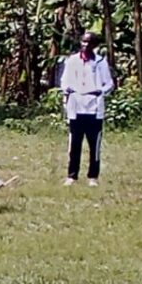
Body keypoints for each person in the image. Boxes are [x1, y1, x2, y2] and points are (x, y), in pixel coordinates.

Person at [60, 31, 114, 186]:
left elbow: (109, 84)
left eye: (89, 43)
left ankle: (93, 177)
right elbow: (64, 81)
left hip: (94, 109)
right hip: (76, 108)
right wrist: (67, 89)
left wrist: (100, 91)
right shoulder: (72, 61)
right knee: (74, 145)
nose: (85, 45)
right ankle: (72, 176)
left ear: (95, 45)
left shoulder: (100, 62)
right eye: (83, 42)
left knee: (94, 145)